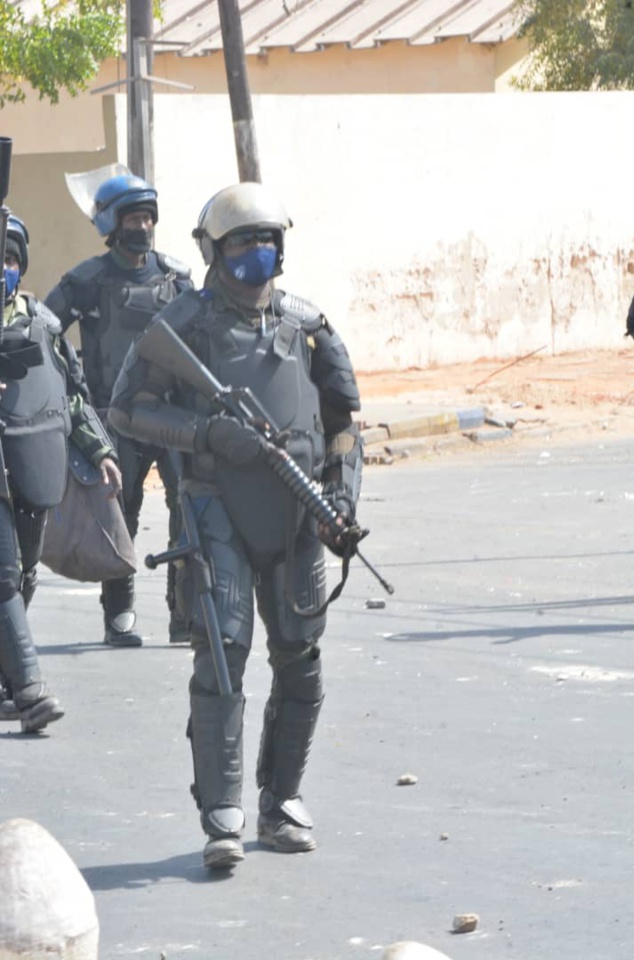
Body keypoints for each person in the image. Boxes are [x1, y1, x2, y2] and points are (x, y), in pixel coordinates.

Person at [108, 182, 363, 868]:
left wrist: (342, 501)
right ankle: (222, 811)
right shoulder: (182, 325)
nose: (256, 252)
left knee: (301, 657)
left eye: (266, 240)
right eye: (242, 241)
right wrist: (207, 434)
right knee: (222, 654)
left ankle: (282, 800)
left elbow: (343, 426)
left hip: (298, 513)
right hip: (216, 507)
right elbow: (127, 409)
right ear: (213, 251)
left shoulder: (309, 327)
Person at [45, 174, 194, 648]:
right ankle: (119, 615)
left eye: (148, 218)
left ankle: (186, 613)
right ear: (111, 224)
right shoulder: (86, 282)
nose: (143, 227)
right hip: (115, 420)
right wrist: (67, 392)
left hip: (172, 419)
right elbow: (44, 333)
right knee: (119, 515)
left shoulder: (176, 279)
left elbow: (203, 340)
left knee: (188, 510)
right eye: (133, 219)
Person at [0, 213, 121, 732]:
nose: (3, 268)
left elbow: (71, 395)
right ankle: (31, 689)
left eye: (9, 259)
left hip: (32, 463)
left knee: (24, 574)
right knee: (3, 574)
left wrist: (100, 450)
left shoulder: (44, 324)